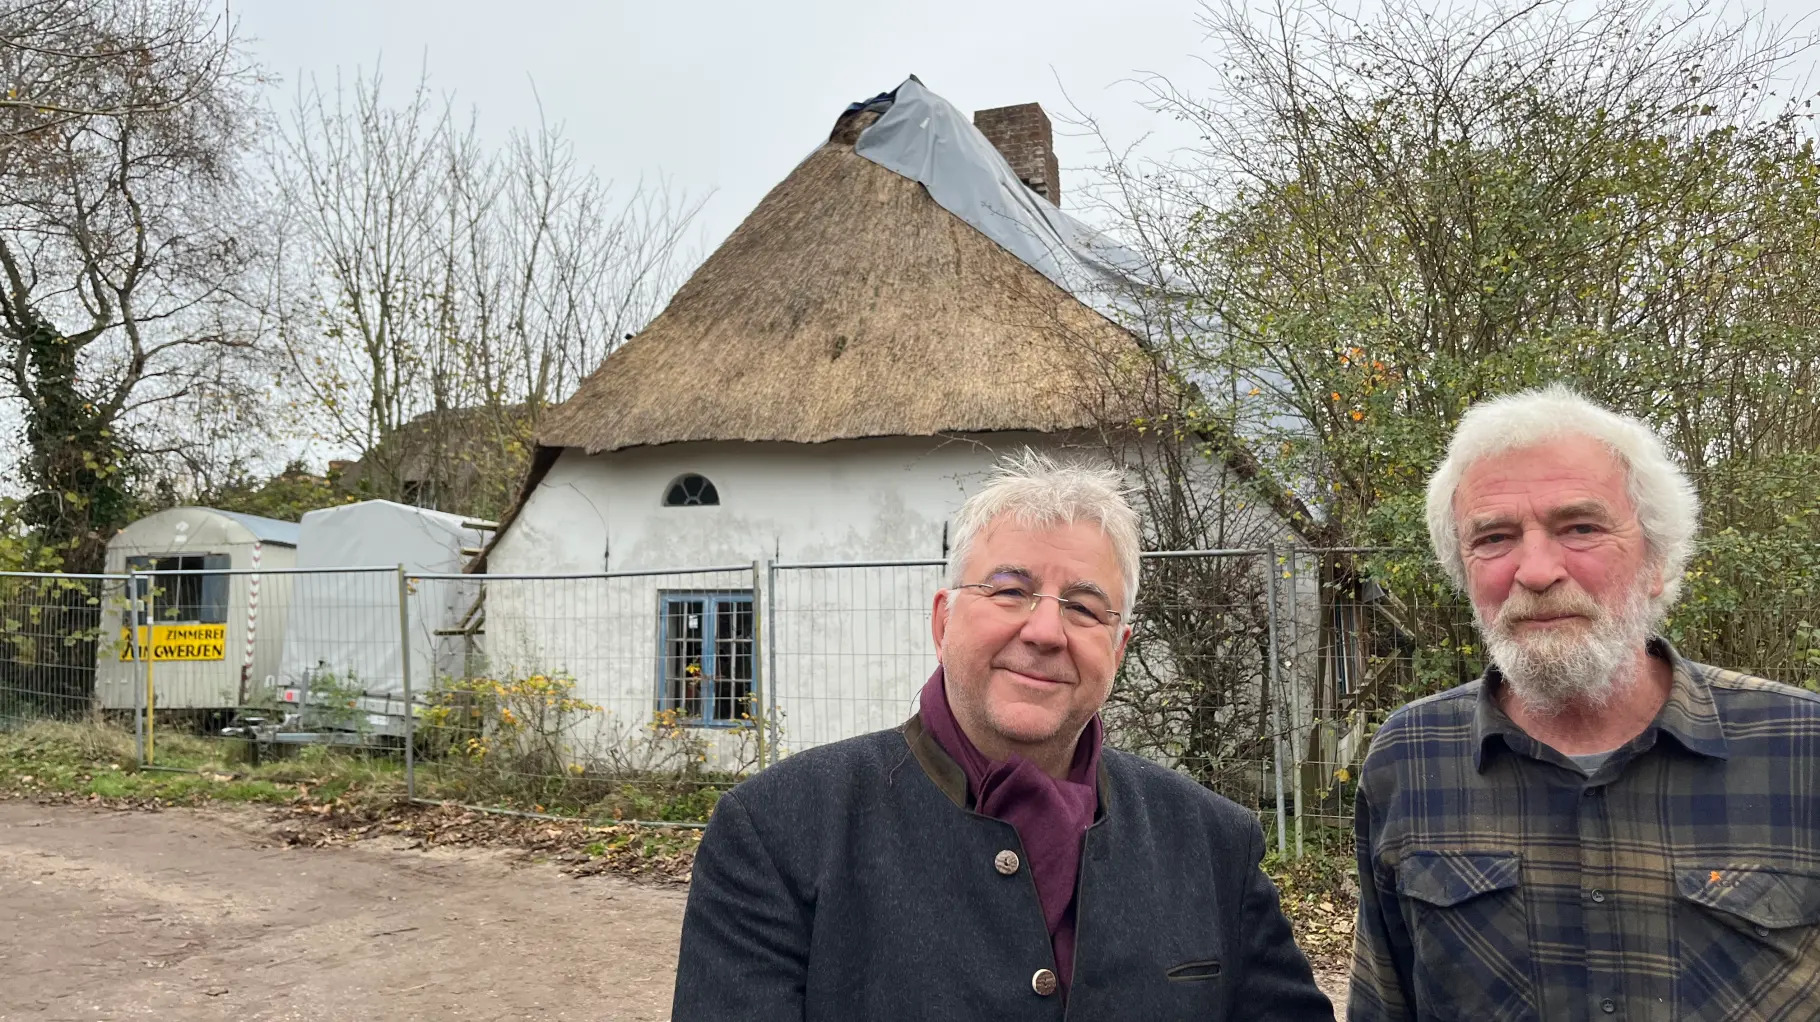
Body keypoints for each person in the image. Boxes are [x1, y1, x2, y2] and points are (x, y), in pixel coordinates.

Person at [673, 451, 1333, 1021]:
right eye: (1011, 590)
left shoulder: (1213, 844)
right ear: (944, 622)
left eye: (1083, 607)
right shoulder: (777, 833)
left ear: (1119, 648)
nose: (1045, 631)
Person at [1350, 386, 1820, 1021]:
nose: (1536, 570)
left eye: (1580, 528)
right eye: (1494, 537)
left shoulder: (1801, 747)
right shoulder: (1409, 758)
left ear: (1658, 560)